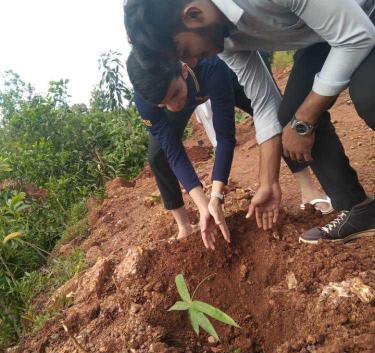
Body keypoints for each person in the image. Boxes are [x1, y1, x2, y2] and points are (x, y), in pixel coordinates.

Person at [124, 0, 375, 244]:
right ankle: (359, 208)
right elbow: (264, 100)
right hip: (327, 34)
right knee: (287, 115)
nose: (189, 63)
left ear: (193, 15)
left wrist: (304, 120)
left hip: (365, 5)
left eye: (185, 51)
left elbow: (356, 36)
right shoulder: (222, 38)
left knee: (368, 95)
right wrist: (267, 182)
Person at [127, 51, 332, 247]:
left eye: (174, 95)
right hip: (188, 90)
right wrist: (204, 205)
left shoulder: (211, 63)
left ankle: (308, 189)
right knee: (158, 155)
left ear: (182, 69)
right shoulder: (149, 101)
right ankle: (184, 226)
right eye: (164, 105)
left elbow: (224, 136)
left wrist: (217, 195)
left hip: (228, 75)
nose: (173, 107)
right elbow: (173, 151)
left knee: (275, 113)